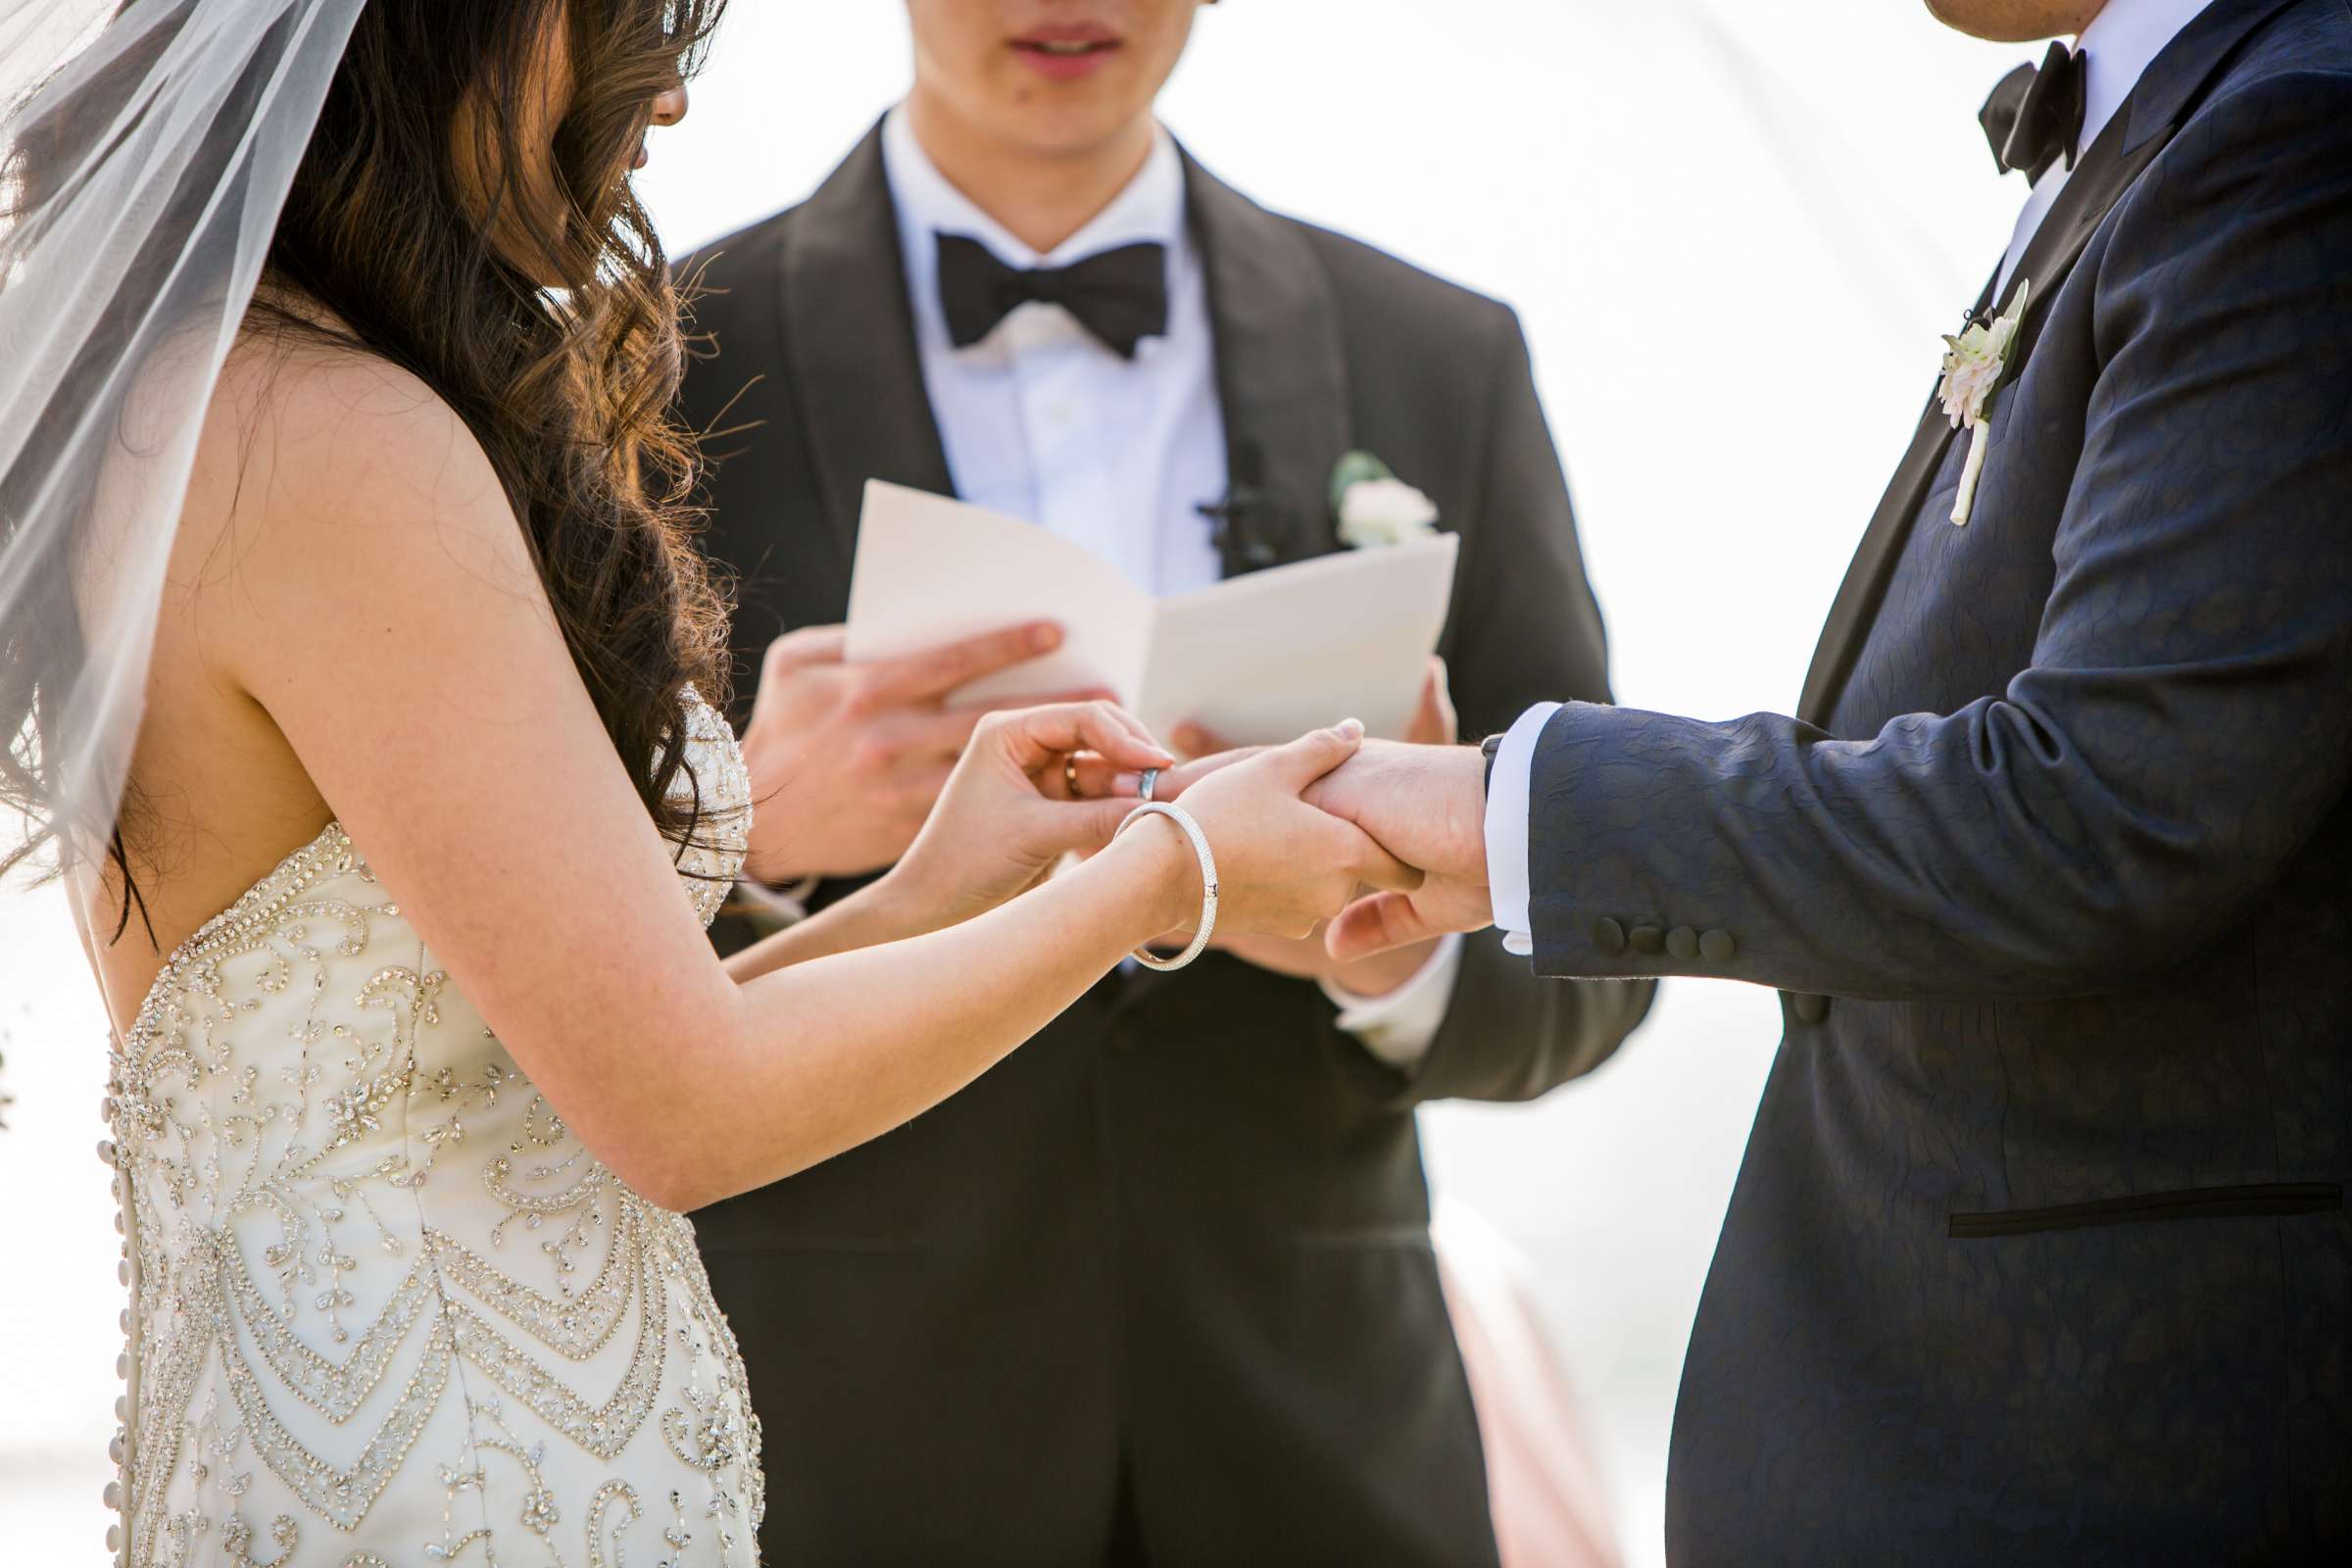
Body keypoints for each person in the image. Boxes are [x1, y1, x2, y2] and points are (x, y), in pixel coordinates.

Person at [0, 2, 1420, 1562]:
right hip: (453, 1488)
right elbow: (687, 1114)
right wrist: (1172, 873)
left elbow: (558, 1074)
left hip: (388, 1449)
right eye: (627, 20)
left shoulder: (208, 402)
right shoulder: (330, 445)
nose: (668, 95)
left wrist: (935, 890)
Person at [1304, 0, 2352, 1558]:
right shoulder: (2180, 118)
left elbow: (2108, 810)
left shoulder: (2296, 136)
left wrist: (1505, 809)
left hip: (2113, 1450)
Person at [671, 2, 1652, 1560]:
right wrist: (749, 841)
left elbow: (1606, 950)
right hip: (840, 1453)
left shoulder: (1440, 355)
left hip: (1324, 1450)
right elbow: (480, 988)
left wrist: (1389, 957)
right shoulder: (650, 366)